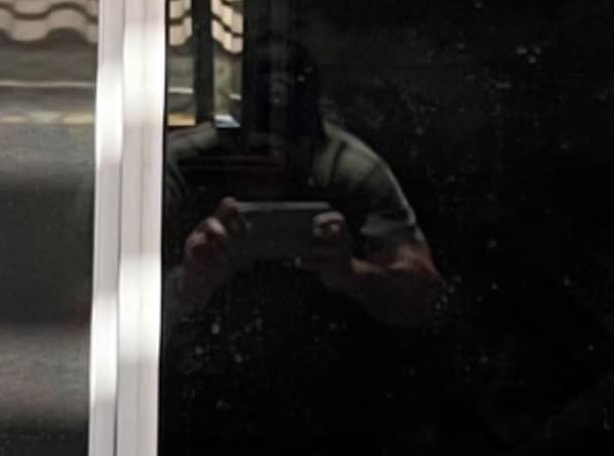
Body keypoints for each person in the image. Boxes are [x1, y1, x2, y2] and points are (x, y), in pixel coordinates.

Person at [165, 37, 446, 329]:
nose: (271, 168)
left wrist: (351, 274)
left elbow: (426, 298)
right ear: (230, 136)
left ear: (315, 141)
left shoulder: (352, 169)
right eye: (258, 152)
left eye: (289, 154)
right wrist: (190, 282)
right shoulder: (182, 163)